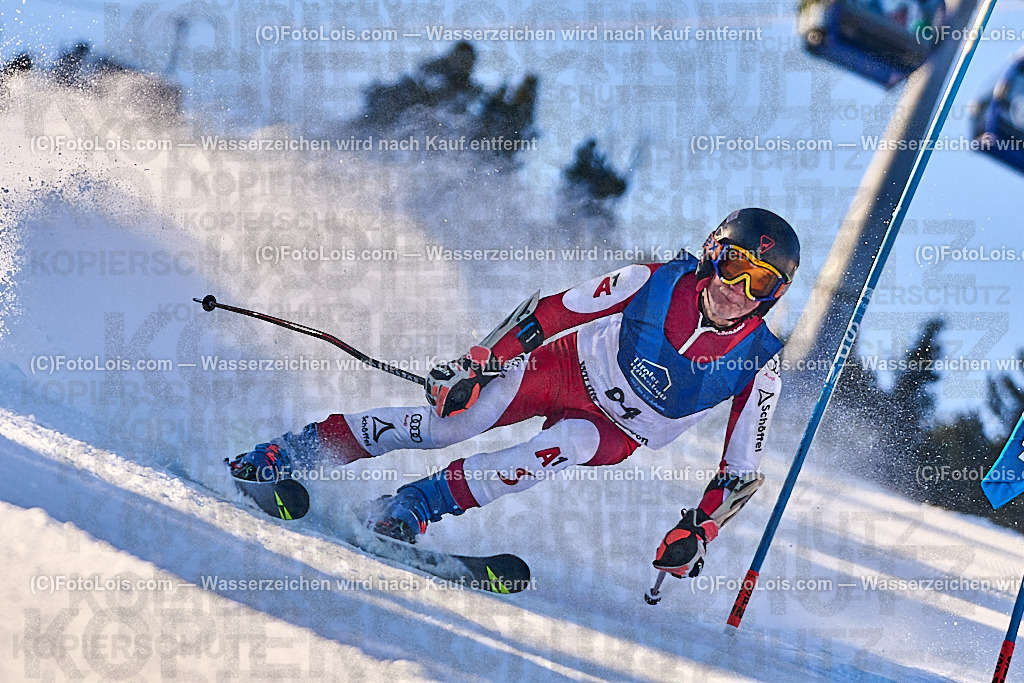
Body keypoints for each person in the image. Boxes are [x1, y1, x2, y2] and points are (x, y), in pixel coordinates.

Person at [230, 208, 800, 579]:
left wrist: (697, 531)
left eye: (761, 283)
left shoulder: (757, 367)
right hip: (562, 367)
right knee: (452, 423)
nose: (738, 290)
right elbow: (550, 313)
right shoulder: (653, 281)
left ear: (774, 295)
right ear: (711, 254)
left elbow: (739, 472)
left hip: (613, 431)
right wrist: (478, 364)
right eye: (734, 267)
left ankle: (408, 508)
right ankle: (288, 453)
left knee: (569, 443)